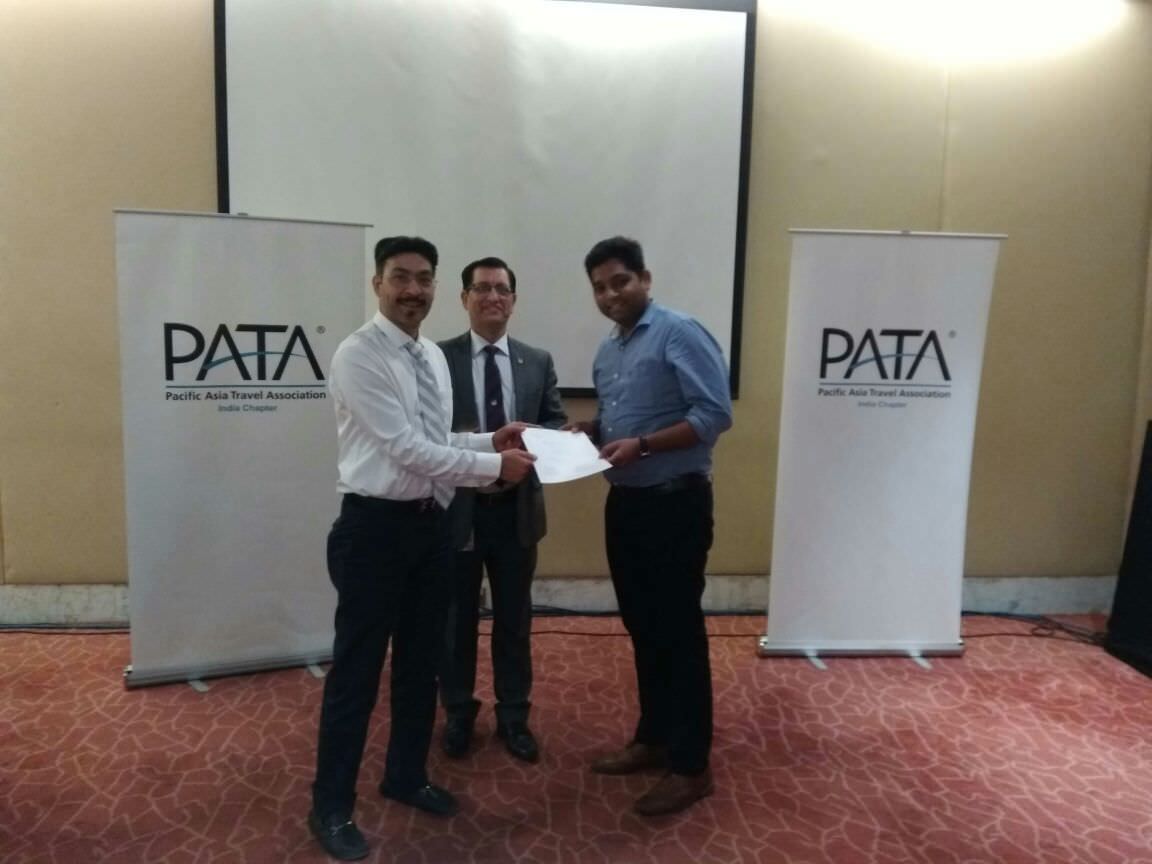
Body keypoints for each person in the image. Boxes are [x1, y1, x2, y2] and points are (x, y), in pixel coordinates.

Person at [309, 236, 537, 862]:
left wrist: (490, 439)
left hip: (431, 530)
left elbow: (437, 438)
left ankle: (405, 775)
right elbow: (404, 449)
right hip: (373, 533)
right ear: (377, 283)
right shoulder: (358, 355)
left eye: (424, 278)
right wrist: (492, 467)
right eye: (400, 277)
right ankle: (330, 806)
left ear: (436, 286)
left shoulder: (431, 355)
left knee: (420, 665)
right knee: (357, 674)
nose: (413, 290)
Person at [568, 236, 733, 817]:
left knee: (677, 631)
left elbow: (714, 416)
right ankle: (655, 737)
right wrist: (592, 431)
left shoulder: (678, 332)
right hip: (627, 504)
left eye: (620, 281)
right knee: (643, 625)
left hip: (675, 504)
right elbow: (620, 420)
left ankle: (691, 766)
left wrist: (641, 445)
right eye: (599, 287)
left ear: (645, 278)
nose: (610, 294)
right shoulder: (608, 350)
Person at [437, 256, 567, 764]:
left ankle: (514, 715)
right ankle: (458, 712)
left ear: (513, 300)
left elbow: (552, 421)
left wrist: (552, 442)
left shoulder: (537, 361)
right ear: (464, 298)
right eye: (482, 288)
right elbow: (429, 431)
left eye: (502, 289)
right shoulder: (437, 358)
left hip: (516, 511)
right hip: (459, 511)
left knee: (514, 619)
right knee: (456, 621)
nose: (492, 296)